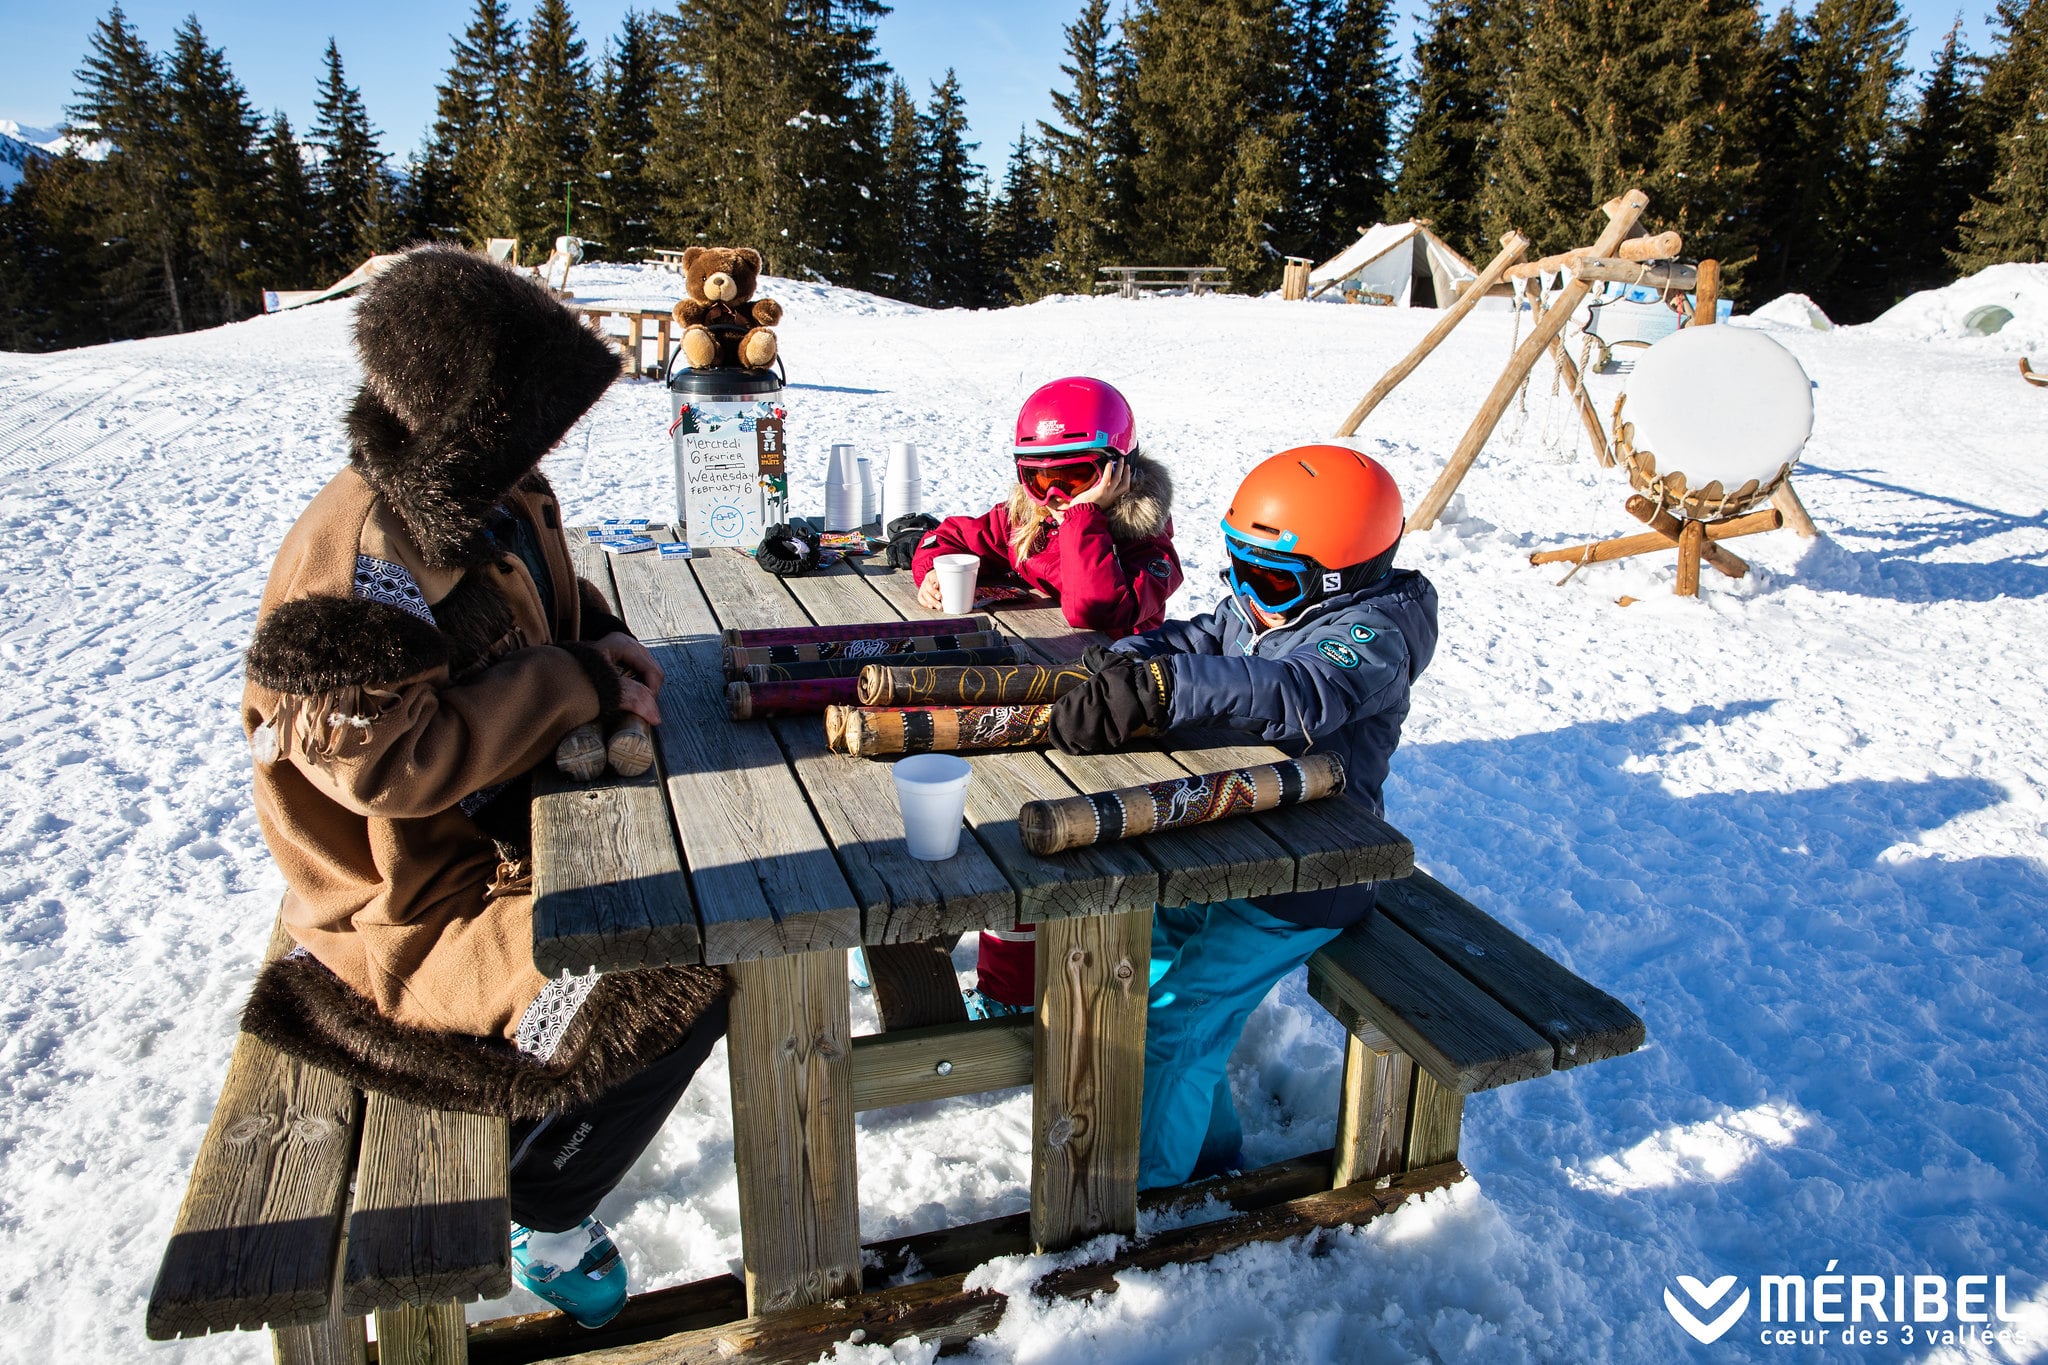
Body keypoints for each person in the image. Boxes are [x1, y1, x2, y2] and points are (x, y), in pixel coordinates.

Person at [236, 245, 727, 1329]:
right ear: (462, 414)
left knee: (704, 896)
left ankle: (542, 1179)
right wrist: (570, 680)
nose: (546, 447)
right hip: (408, 909)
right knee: (678, 963)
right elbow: (383, 766)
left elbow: (549, 593)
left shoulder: (494, 494)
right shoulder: (364, 555)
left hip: (503, 835)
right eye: (526, 421)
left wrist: (601, 636)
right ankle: (538, 1205)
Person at [1045, 444, 1438, 1190]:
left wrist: (1167, 688)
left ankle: (1151, 1192)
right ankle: (1203, 1152)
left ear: (1339, 578)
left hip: (1313, 877)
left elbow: (1296, 691)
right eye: (1235, 564)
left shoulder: (1374, 632)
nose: (1244, 591)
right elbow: (1203, 636)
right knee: (1149, 964)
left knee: (1176, 1024)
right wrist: (1131, 658)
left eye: (1266, 575)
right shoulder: (1266, 601)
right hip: (1230, 849)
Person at [907, 377, 1183, 1019]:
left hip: (1109, 734)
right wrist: (930, 574)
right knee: (956, 798)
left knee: (1027, 836)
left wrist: (1084, 516)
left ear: (1120, 470)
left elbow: (1092, 607)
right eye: (1040, 481)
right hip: (1028, 697)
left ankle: (1011, 990)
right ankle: (915, 937)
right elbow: (946, 537)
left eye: (1077, 476)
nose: (1056, 496)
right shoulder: (1023, 521)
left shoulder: (1147, 549)